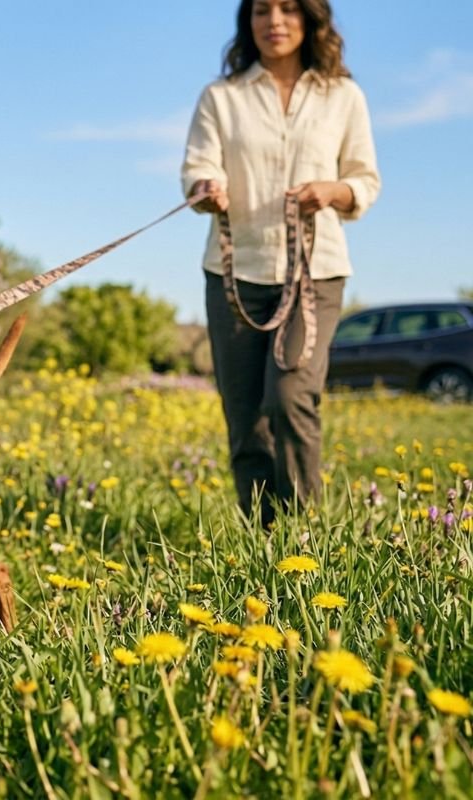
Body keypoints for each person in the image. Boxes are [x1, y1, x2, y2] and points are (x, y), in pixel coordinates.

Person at [181, 0, 380, 526]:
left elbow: (365, 179)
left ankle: (304, 535)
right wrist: (207, 189)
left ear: (311, 19)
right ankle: (263, 536)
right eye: (262, 9)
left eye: (288, 8)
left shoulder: (343, 95)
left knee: (291, 395)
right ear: (247, 22)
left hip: (316, 271)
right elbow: (198, 169)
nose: (274, 20)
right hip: (234, 272)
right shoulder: (221, 98)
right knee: (245, 415)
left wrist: (333, 189)